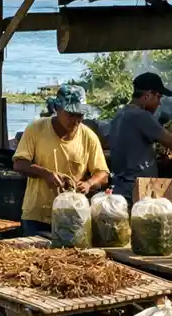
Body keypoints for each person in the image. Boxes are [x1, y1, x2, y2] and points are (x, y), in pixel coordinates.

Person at [12, 84, 110, 236]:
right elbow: (19, 164)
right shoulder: (36, 129)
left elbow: (102, 173)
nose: (76, 120)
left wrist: (88, 183)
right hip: (37, 215)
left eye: (80, 115)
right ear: (57, 109)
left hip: (72, 215)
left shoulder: (88, 137)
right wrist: (45, 173)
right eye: (71, 114)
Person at [107, 73, 172, 200]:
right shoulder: (141, 116)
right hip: (136, 190)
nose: (159, 104)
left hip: (120, 188)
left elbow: (131, 154)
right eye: (158, 97)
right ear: (148, 95)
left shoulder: (119, 115)